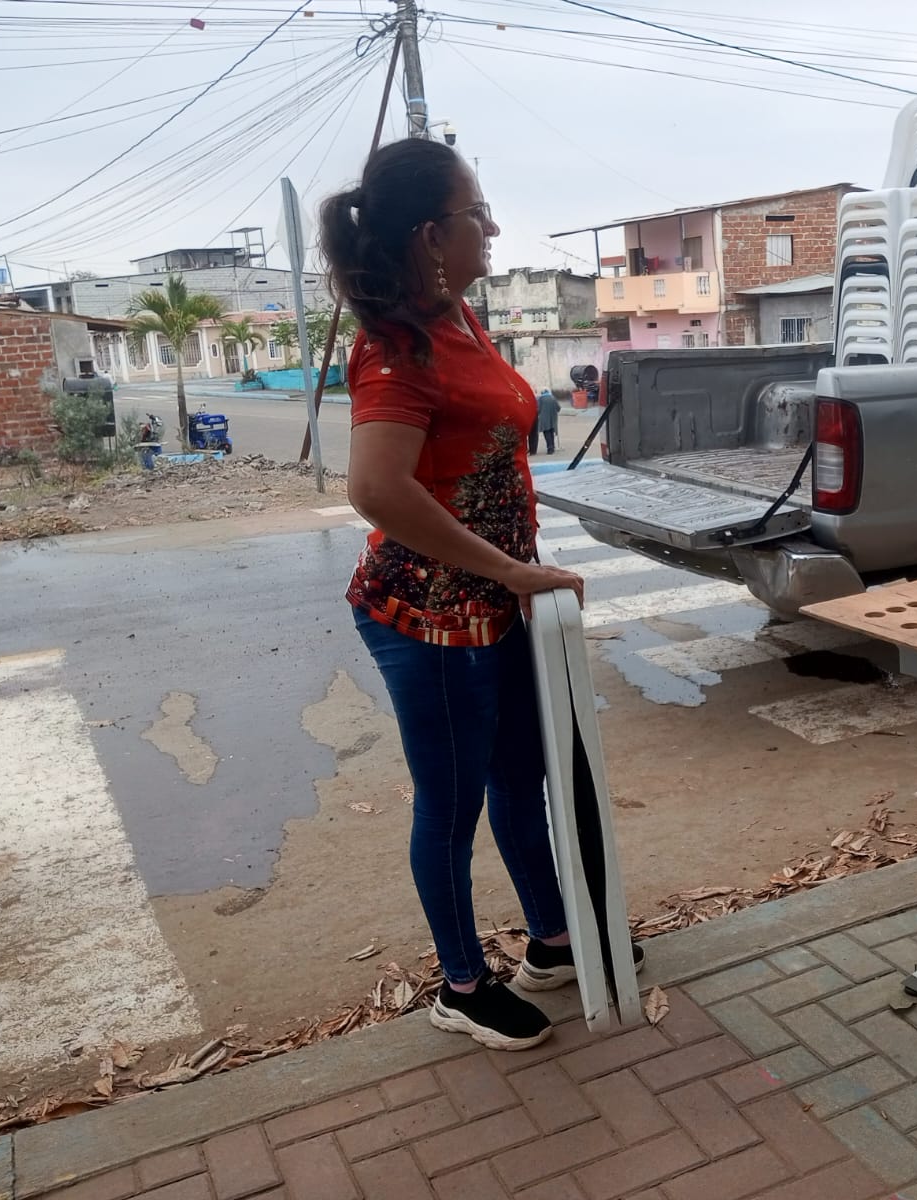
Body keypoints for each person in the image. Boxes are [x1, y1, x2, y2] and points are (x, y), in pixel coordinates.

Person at [320, 138, 637, 1051]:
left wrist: (513, 574)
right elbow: (376, 490)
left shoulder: (458, 318)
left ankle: (552, 940)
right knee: (452, 803)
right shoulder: (394, 348)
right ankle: (461, 985)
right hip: (428, 616)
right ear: (432, 234)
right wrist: (509, 569)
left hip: (495, 603)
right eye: (476, 213)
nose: (492, 228)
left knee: (520, 776)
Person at [536, 388, 560, 455]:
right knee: (551, 432)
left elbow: (538, 409)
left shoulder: (540, 399)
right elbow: (558, 408)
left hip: (544, 420)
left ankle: (550, 448)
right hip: (553, 419)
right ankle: (552, 446)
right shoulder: (553, 398)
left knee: (547, 433)